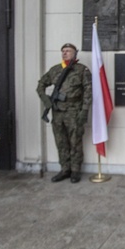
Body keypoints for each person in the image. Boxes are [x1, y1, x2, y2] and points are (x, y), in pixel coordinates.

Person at [37, 43, 92, 183]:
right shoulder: (56, 69)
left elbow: (88, 92)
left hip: (74, 111)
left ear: (75, 53)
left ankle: (75, 170)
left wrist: (85, 110)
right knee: (61, 141)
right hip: (57, 112)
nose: (65, 53)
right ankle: (65, 169)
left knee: (75, 142)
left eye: (68, 51)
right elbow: (41, 85)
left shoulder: (81, 70)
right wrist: (46, 101)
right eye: (63, 51)